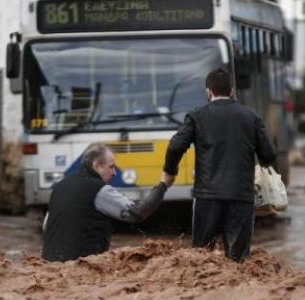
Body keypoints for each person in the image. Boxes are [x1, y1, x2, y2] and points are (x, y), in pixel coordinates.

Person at [162, 67, 276, 262]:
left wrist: (170, 172)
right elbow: (268, 155)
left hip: (208, 197)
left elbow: (175, 146)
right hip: (241, 196)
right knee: (238, 260)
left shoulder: (197, 116)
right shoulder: (252, 117)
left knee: (201, 258)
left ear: (209, 92)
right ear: (232, 91)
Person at [42, 144, 170, 262]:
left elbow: (46, 226)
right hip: (82, 266)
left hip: (48, 263)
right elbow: (137, 212)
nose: (114, 173)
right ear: (97, 165)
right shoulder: (98, 189)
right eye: (111, 167)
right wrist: (163, 186)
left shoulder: (58, 187)